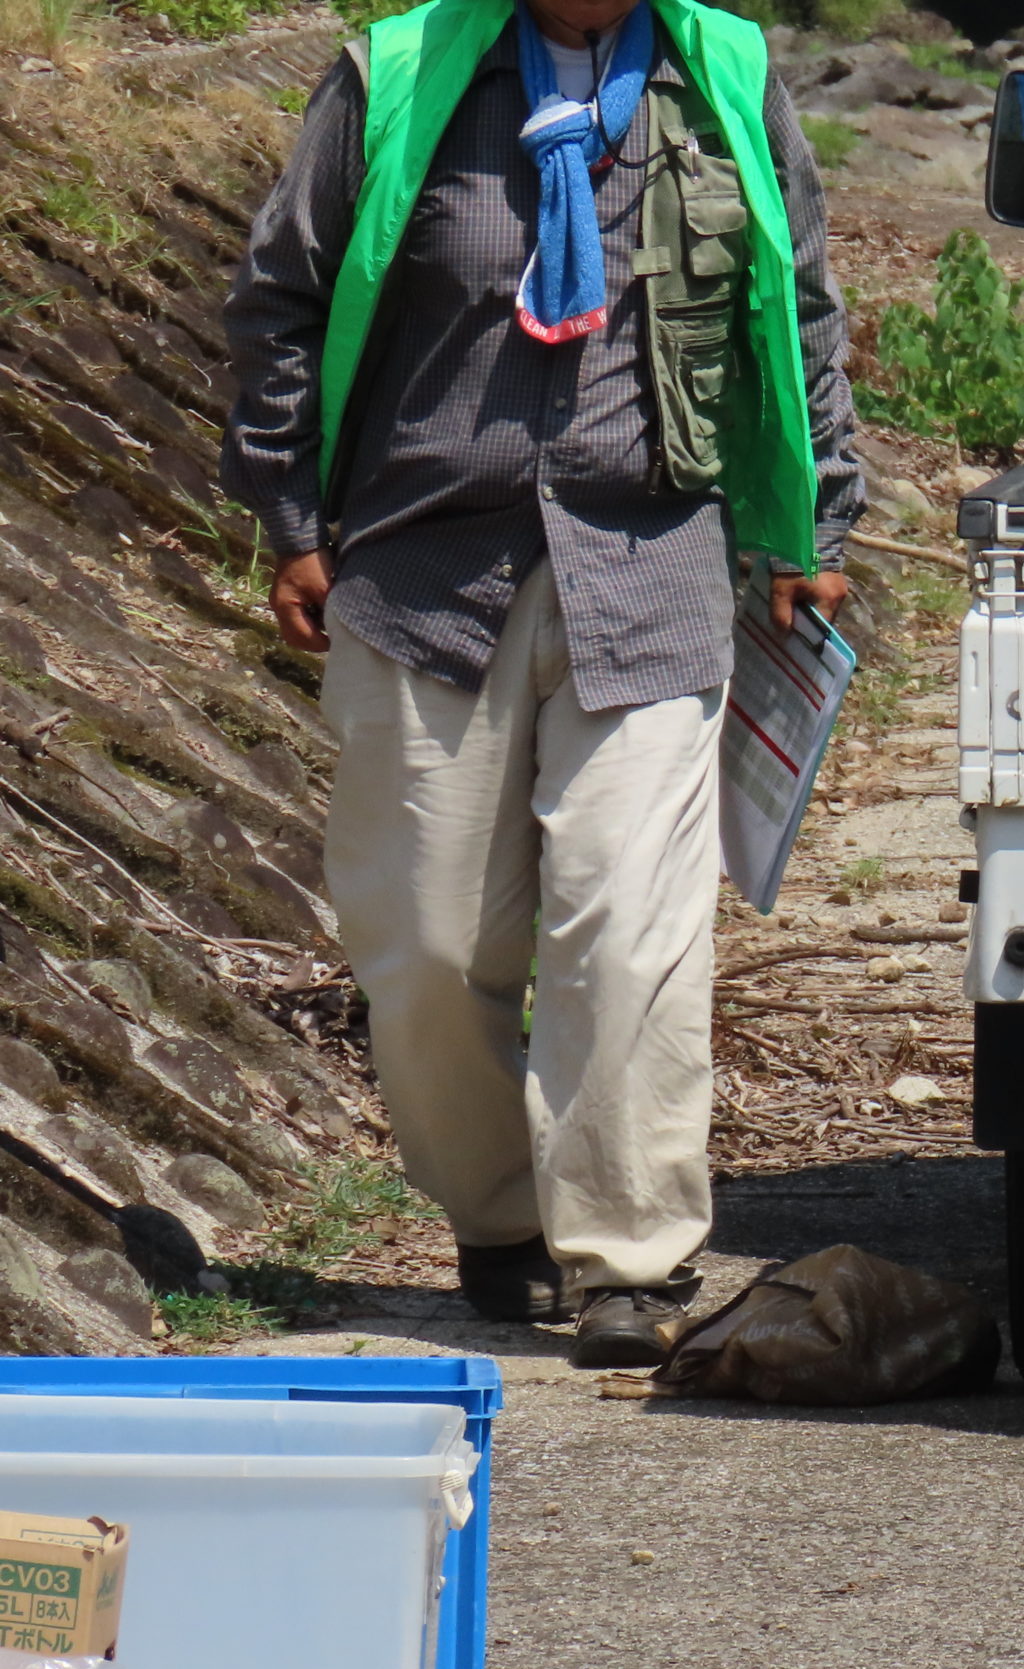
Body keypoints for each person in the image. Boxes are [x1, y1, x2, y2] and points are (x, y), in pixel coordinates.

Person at [222, 0, 864, 1366]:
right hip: (426, 565)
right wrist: (289, 518)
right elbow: (282, 298)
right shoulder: (400, 74)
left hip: (651, 560)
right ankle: (499, 1211)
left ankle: (629, 1256)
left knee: (626, 927)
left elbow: (798, 300)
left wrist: (814, 523)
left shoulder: (723, 71)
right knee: (428, 945)